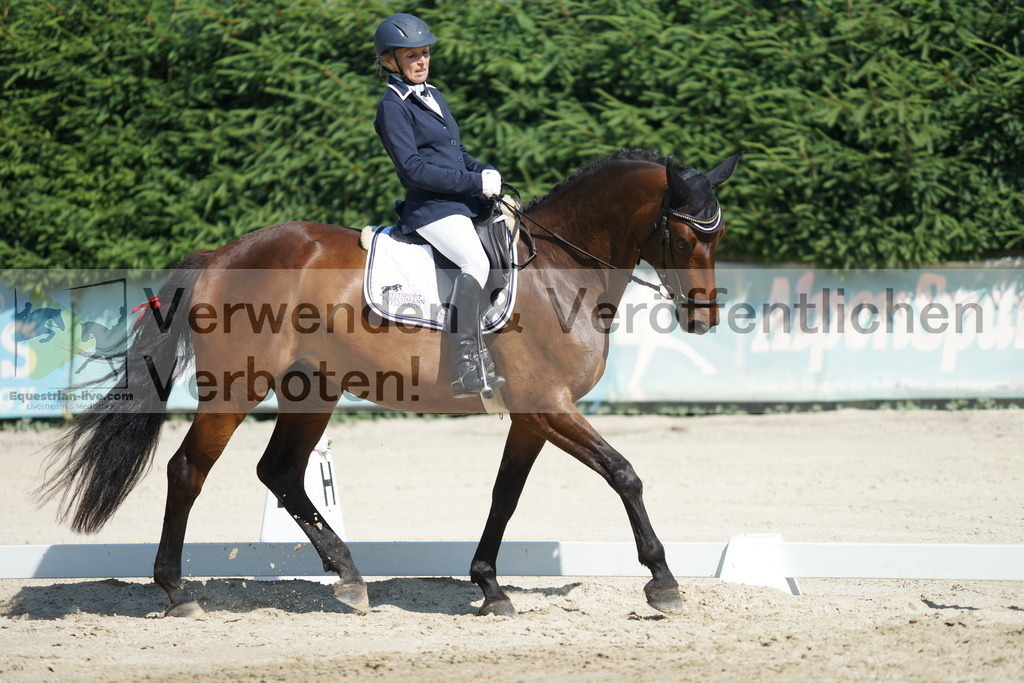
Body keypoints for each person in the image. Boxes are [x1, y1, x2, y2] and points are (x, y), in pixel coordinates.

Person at [373, 13, 506, 399]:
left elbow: (457, 154)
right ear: (389, 62)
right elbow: (412, 169)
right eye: (411, 56)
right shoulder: (392, 106)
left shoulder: (434, 95)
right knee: (475, 263)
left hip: (461, 201)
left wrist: (485, 171)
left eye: (425, 53)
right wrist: (473, 182)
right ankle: (465, 364)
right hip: (431, 208)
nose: (421, 61)